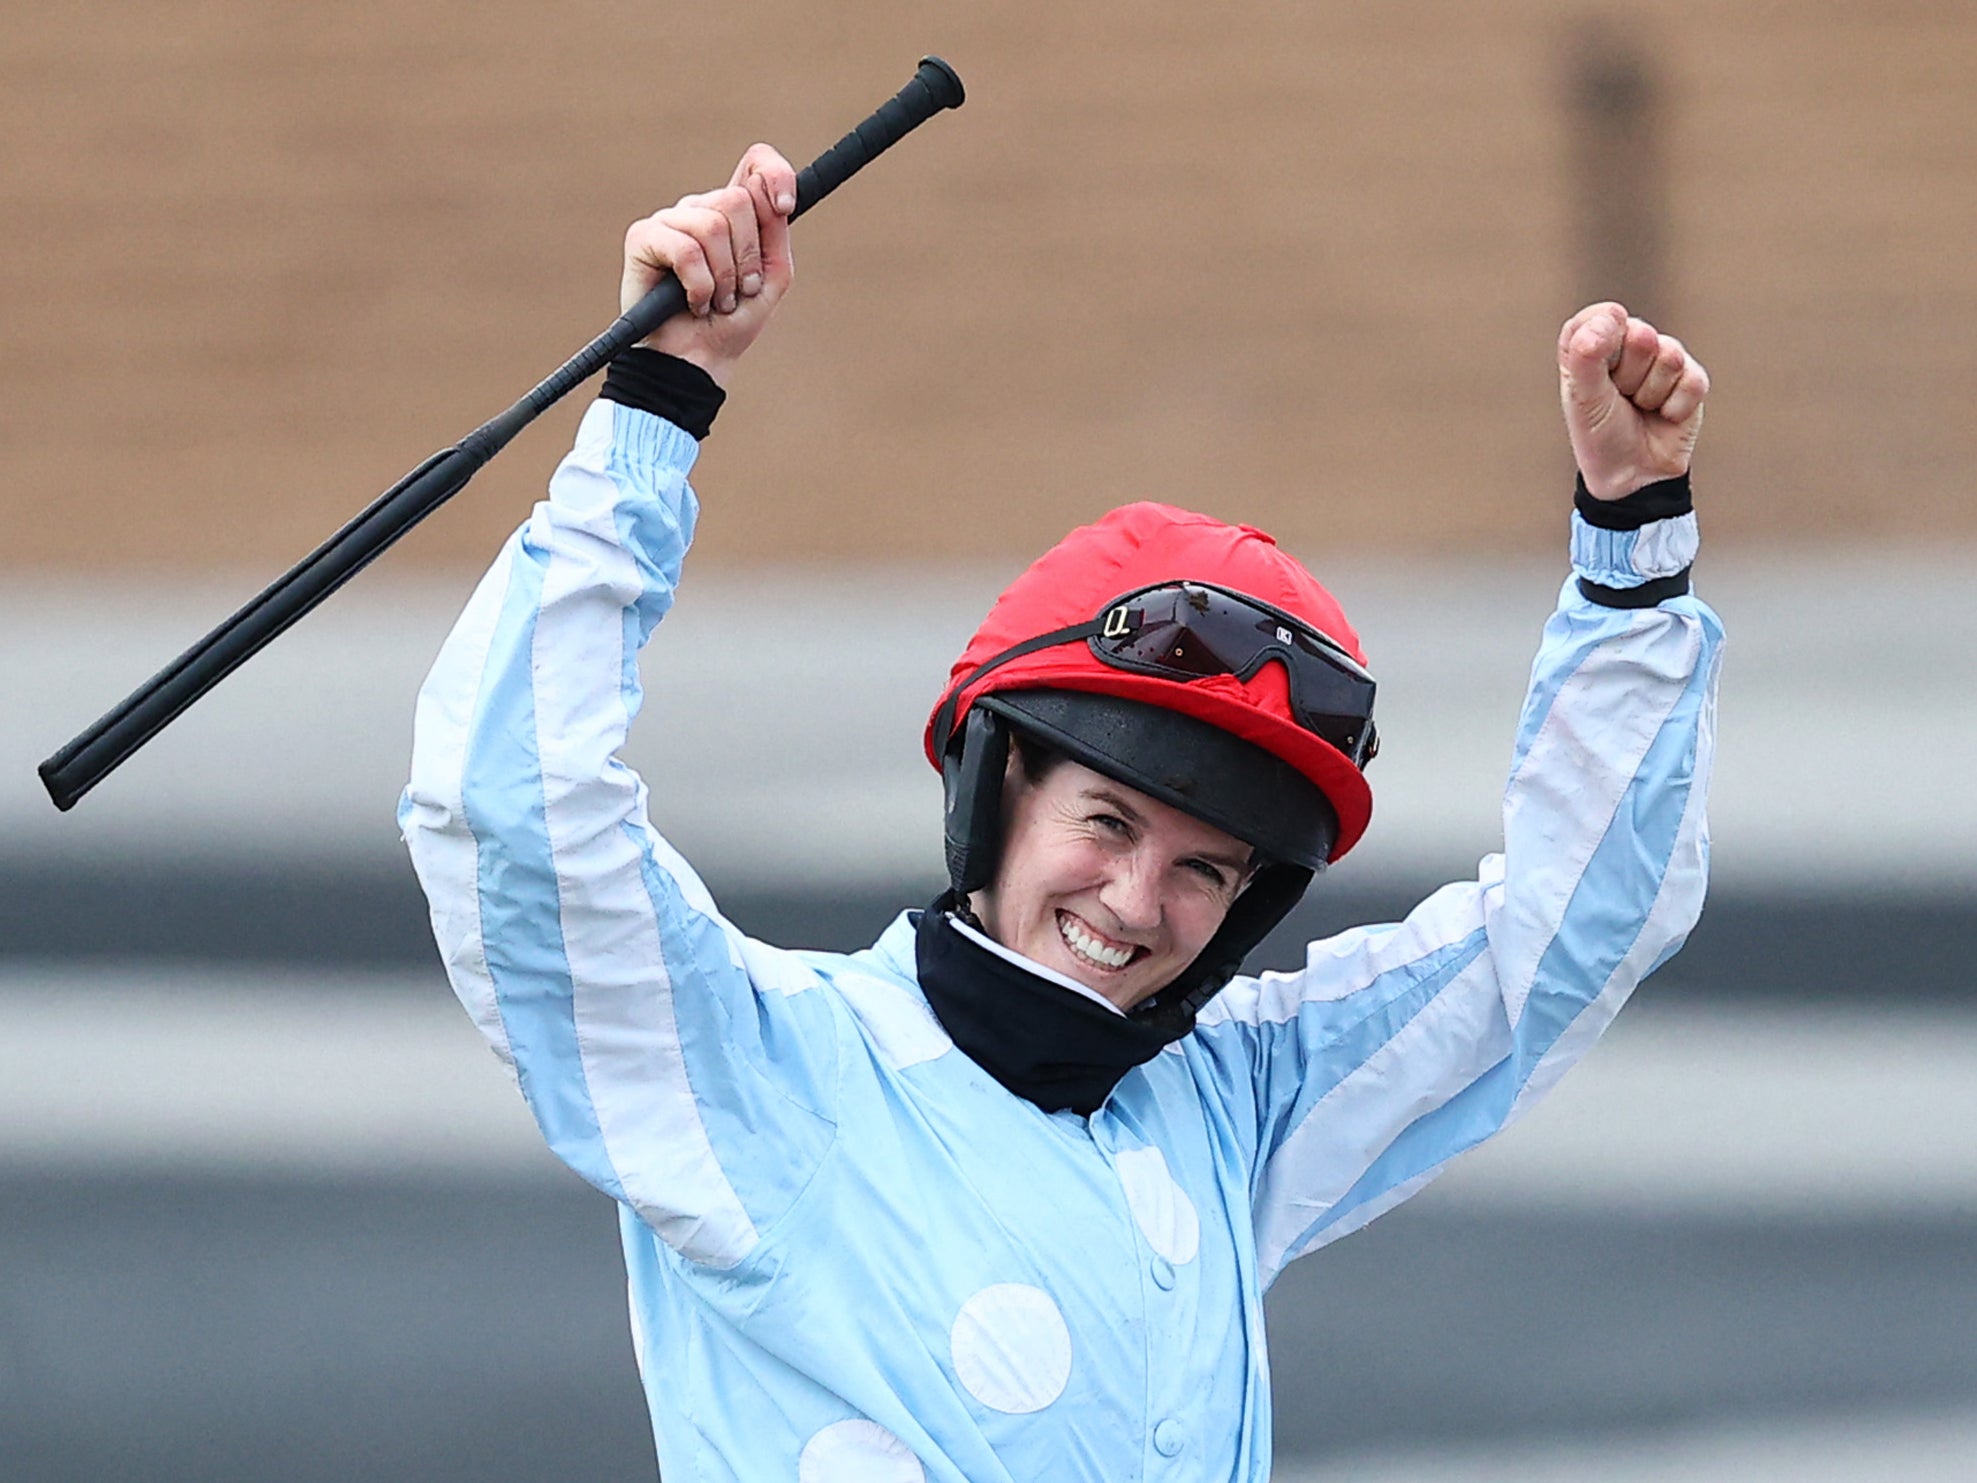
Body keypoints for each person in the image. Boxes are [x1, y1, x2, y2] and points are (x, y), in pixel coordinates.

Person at [400, 144, 1721, 1482]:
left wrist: (1632, 552)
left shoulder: (1233, 1100)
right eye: (1104, 823)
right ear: (995, 791)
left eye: (1207, 869)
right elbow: (510, 808)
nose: (1138, 904)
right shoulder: (764, 1070)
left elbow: (1561, 936)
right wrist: (655, 407)